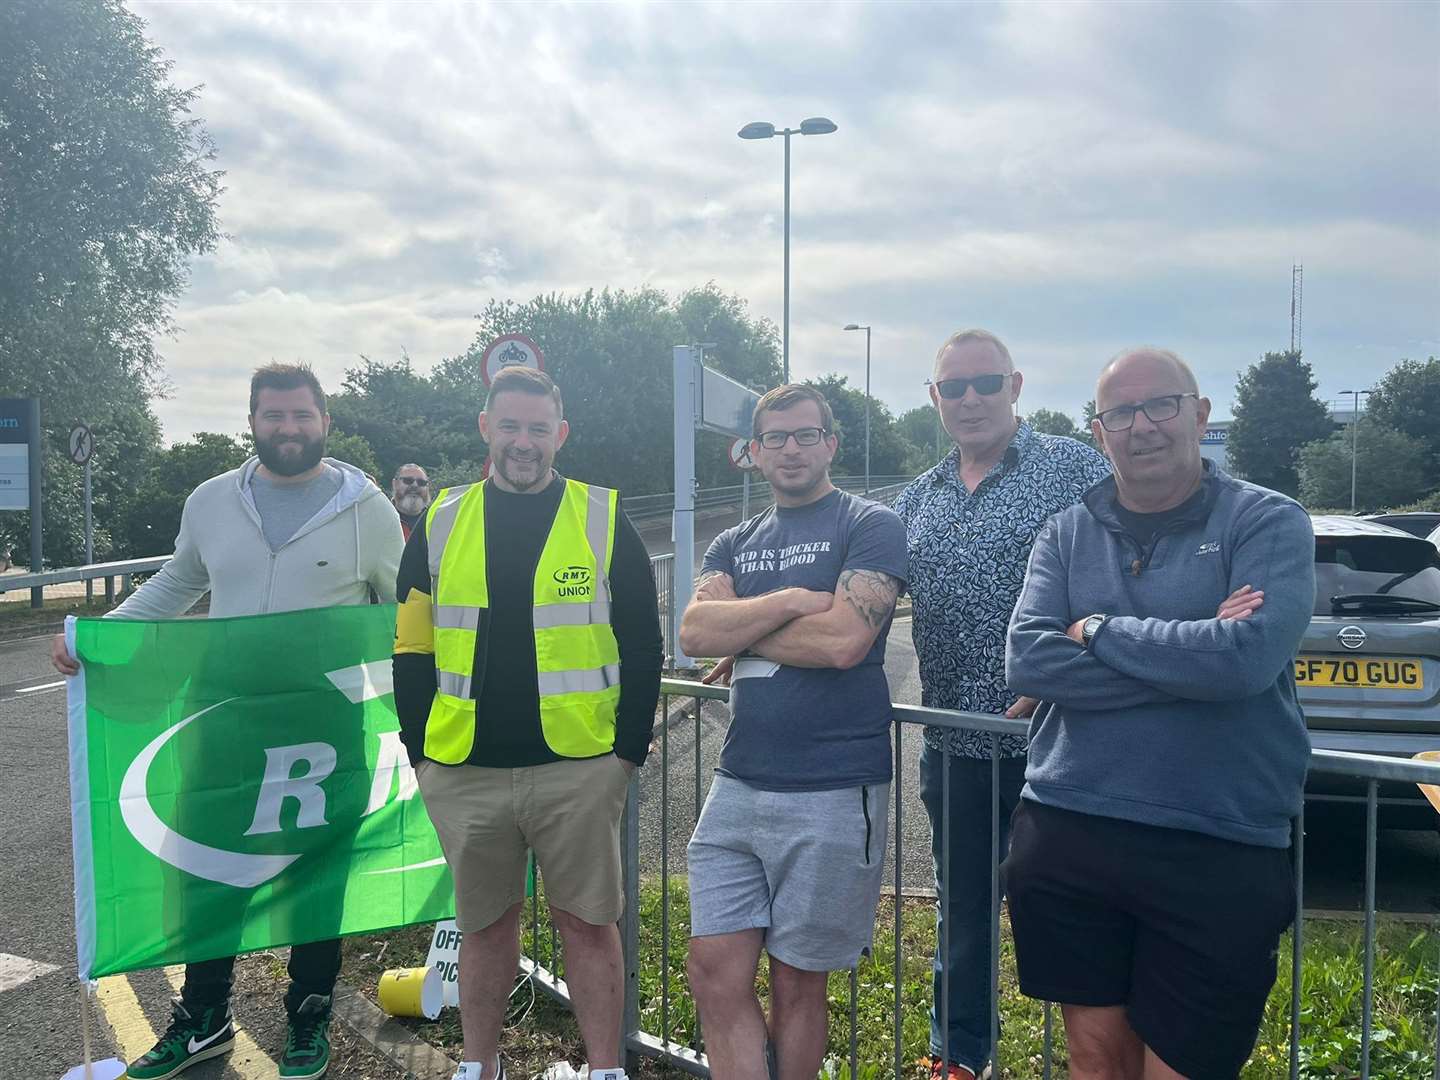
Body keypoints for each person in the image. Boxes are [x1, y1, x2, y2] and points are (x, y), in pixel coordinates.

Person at [52, 362, 404, 1080]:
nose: (289, 428)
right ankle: (204, 1017)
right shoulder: (213, 501)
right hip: (222, 715)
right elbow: (180, 581)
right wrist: (97, 638)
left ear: (325, 423)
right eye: (274, 416)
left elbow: (405, 608)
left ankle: (308, 1016)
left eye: (302, 415)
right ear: (252, 421)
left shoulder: (366, 509)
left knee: (318, 869)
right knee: (205, 867)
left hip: (323, 718)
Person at [1003, 348, 1313, 1080]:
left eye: (1161, 405)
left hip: (1218, 839)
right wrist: (1199, 654)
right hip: (1068, 823)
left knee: (1183, 1067)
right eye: (1120, 413)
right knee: (1095, 1059)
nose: (1141, 426)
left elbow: (1245, 661)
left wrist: (1101, 631)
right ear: (1098, 429)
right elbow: (1029, 663)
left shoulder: (1268, 521)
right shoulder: (1064, 532)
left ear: (1199, 415)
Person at [392, 366, 662, 1080]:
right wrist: (419, 752)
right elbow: (412, 647)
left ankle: (604, 1070)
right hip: (464, 767)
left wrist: (625, 752)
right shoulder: (439, 522)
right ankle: (479, 1066)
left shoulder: (602, 516)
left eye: (538, 429)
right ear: (486, 428)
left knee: (588, 925)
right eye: (509, 426)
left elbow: (643, 642)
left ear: (560, 435)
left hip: (579, 767)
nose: (523, 442)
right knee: (483, 929)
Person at [892, 329, 1110, 1080]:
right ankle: (960, 1055)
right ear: (934, 399)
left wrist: (1071, 656)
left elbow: (1124, 567)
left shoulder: (1074, 467)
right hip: (955, 744)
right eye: (955, 387)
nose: (971, 399)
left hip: (1062, 743)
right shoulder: (916, 498)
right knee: (964, 912)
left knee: (1077, 911)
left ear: (1015, 386)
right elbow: (859, 598)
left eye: (986, 383)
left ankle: (1103, 1059)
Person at [679, 384, 907, 1080]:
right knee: (713, 968)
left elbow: (843, 641)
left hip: (837, 785)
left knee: (799, 981)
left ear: (830, 444)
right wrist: (784, 604)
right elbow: (692, 632)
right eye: (774, 438)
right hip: (738, 783)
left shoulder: (870, 524)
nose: (790, 449)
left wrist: (743, 630)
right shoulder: (734, 540)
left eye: (806, 435)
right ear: (753, 452)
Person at [391, 462, 432, 540]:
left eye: (421, 482)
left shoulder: (435, 521)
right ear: (395, 484)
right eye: (408, 480)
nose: (415, 485)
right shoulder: (382, 517)